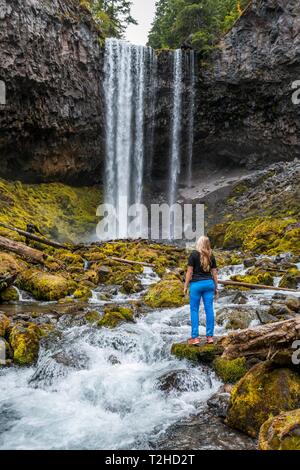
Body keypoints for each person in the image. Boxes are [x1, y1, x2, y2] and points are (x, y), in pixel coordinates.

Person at [183, 236, 218, 345]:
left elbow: (189, 272)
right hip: (209, 284)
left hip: (196, 285)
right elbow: (214, 273)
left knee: (194, 310)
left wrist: (185, 286)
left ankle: (195, 338)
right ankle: (210, 337)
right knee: (209, 310)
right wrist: (216, 287)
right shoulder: (211, 255)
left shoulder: (193, 254)